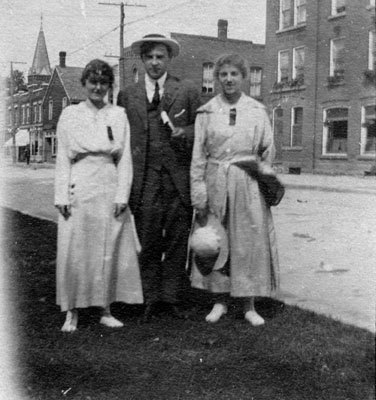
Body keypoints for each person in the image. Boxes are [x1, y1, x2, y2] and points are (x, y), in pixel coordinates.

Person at [190, 53, 280, 326]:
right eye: (223, 75)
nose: (228, 79)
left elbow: (268, 150)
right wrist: (199, 194)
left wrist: (258, 174)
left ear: (243, 78)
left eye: (234, 74)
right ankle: (219, 301)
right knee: (217, 240)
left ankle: (248, 304)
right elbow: (198, 156)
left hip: (247, 184)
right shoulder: (206, 112)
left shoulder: (257, 110)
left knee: (247, 242)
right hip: (215, 179)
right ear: (217, 78)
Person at [54, 59, 143, 332]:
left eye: (103, 82)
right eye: (93, 81)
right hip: (79, 183)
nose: (97, 87)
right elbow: (62, 159)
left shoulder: (118, 115)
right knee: (75, 248)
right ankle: (72, 311)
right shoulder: (70, 114)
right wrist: (62, 195)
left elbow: (125, 158)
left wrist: (122, 195)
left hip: (108, 181)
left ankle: (105, 308)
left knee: (108, 247)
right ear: (83, 84)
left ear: (109, 86)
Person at [117, 34, 201, 321]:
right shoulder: (127, 95)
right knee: (148, 238)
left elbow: (201, 129)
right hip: (145, 179)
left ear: (169, 59)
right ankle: (149, 297)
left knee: (178, 238)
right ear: (142, 59)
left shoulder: (187, 90)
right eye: (150, 57)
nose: (155, 62)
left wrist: (185, 133)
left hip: (178, 178)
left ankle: (172, 297)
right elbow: (123, 137)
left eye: (160, 57)